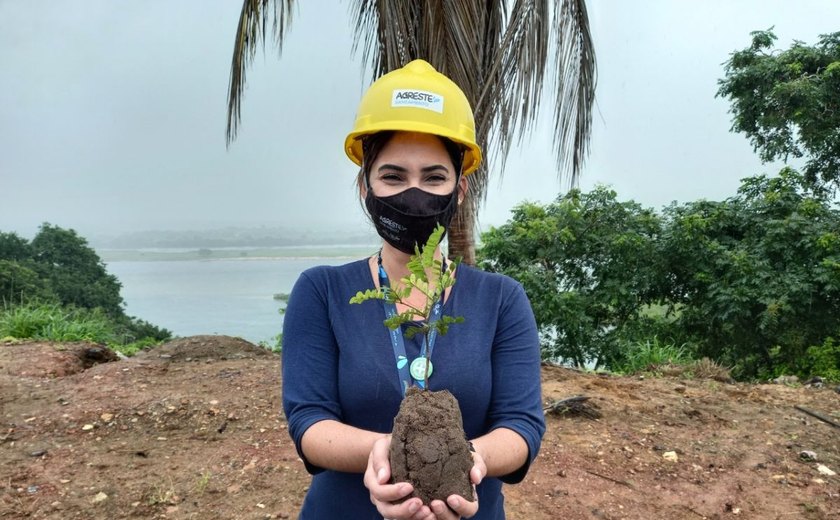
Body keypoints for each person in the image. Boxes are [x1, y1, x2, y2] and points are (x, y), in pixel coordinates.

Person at [282, 59, 545, 520]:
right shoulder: (322, 291)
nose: (414, 194)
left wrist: (467, 461)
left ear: (459, 190)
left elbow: (522, 426)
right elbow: (308, 421)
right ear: (365, 186)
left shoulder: (501, 298)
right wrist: (385, 452)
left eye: (434, 177)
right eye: (393, 176)